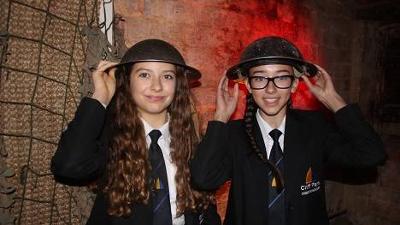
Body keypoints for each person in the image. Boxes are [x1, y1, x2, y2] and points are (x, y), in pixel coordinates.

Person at [190, 36, 386, 225]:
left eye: (282, 77)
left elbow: (372, 154)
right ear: (248, 85)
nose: (271, 89)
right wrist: (220, 117)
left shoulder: (314, 127)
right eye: (260, 78)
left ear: (293, 84)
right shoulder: (234, 133)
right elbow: (203, 179)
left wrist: (333, 100)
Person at [51, 39, 221, 225]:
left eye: (167, 76)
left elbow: (205, 202)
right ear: (127, 81)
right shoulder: (111, 136)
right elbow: (68, 167)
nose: (157, 86)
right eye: (144, 75)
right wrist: (100, 98)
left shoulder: (187, 135)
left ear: (178, 84)